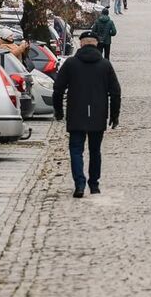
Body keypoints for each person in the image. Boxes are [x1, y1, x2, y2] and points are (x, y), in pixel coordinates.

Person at [52, 31, 122, 198]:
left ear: (81, 44)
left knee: (76, 150)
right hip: (98, 115)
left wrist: (59, 111)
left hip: (76, 114)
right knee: (95, 150)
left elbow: (58, 89)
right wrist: (114, 115)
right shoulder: (105, 65)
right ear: (96, 44)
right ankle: (94, 184)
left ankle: (79, 184)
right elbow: (115, 92)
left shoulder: (70, 64)